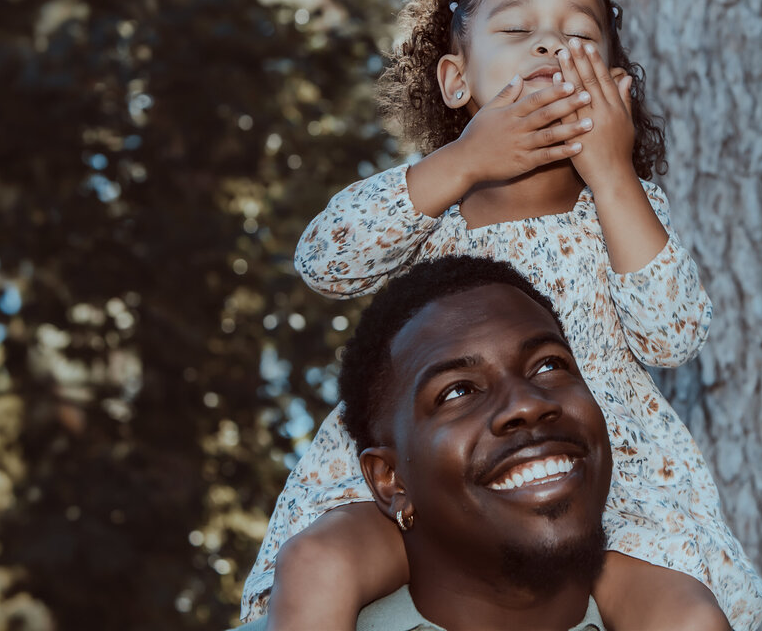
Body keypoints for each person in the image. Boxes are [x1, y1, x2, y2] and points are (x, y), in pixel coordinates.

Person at [242, 0, 762, 631]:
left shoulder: (621, 209)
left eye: (579, 36)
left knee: (688, 615)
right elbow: (325, 261)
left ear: (615, 89)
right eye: (518, 31)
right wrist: (459, 162)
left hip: (597, 494)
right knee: (317, 562)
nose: (551, 44)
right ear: (457, 81)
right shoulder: (430, 207)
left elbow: (673, 334)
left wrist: (612, 173)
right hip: (429, 482)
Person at [244, 256, 613, 630]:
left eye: (549, 365)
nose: (526, 405)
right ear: (391, 479)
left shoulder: (667, 603)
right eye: (458, 391)